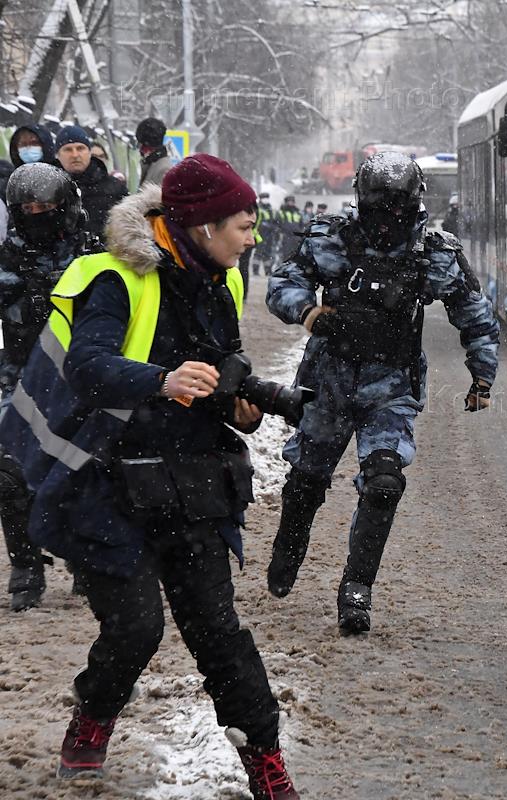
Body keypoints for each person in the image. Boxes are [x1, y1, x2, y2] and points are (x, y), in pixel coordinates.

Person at [0, 154, 300, 796]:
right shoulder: (114, 277)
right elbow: (89, 367)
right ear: (203, 225)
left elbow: (217, 367)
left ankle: (266, 761)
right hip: (105, 482)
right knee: (136, 628)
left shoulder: (222, 278)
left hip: (190, 480)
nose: (252, 238)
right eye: (244, 225)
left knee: (219, 635)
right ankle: (93, 717)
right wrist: (163, 380)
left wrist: (238, 406)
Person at [265, 153, 499, 634]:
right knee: (307, 480)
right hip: (328, 381)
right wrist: (309, 313)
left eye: (397, 207)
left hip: (390, 387)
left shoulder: (434, 253)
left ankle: (357, 587)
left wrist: (483, 375)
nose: (387, 218)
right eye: (379, 207)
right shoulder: (331, 238)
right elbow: (283, 283)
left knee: (384, 483)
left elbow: (474, 314)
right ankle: (288, 548)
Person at [0, 164, 101, 611]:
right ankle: (25, 564)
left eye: (45, 206)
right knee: (10, 471)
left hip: (81, 376)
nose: (36, 214)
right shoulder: (9, 257)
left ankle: (84, 557)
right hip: (22, 373)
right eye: (27, 208)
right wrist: (27, 301)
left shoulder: (92, 254)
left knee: (84, 466)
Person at [55, 125, 127, 243]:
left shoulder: (115, 188)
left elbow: (129, 229)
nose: (75, 155)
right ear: (58, 155)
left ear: (89, 152)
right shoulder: (49, 189)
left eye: (80, 148)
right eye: (68, 149)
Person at [135, 117, 171, 188]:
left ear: (148, 144)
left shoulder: (163, 170)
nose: (139, 149)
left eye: (141, 144)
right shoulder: (151, 163)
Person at [252, 193, 278, 276]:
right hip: (260, 233)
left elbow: (274, 220)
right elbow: (257, 221)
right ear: (261, 198)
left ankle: (268, 270)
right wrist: (265, 225)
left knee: (268, 253)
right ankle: (255, 270)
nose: (266, 199)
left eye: (267, 197)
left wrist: (274, 227)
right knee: (258, 252)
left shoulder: (270, 208)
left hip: (269, 234)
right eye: (264, 198)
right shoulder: (258, 208)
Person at [275, 195, 304, 262]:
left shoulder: (297, 212)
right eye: (289, 201)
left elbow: (301, 224)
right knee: (285, 254)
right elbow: (276, 223)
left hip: (296, 237)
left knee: (295, 254)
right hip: (286, 236)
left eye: (292, 202)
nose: (291, 203)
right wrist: (280, 232)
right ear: (286, 202)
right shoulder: (281, 212)